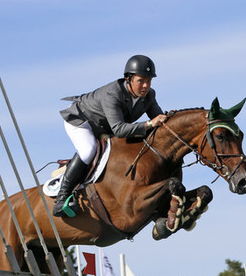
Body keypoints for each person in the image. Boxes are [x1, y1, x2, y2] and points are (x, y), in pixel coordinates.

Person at [54, 55, 168, 217]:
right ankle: (62, 197)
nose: (145, 86)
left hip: (104, 127)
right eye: (141, 81)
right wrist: (149, 124)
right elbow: (120, 130)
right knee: (88, 150)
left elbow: (159, 120)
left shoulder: (149, 96)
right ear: (128, 79)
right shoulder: (112, 94)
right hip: (81, 120)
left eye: (149, 81)